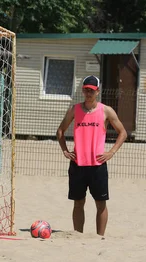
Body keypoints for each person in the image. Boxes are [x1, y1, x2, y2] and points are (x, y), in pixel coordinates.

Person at [56, 75, 127, 236]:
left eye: (92, 90)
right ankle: (77, 235)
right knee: (78, 202)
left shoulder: (106, 110)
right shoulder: (75, 109)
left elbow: (122, 132)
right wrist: (65, 150)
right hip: (78, 164)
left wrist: (111, 152)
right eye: (86, 90)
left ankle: (100, 237)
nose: (88, 93)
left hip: (98, 166)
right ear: (82, 90)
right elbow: (60, 131)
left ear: (98, 91)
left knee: (101, 203)